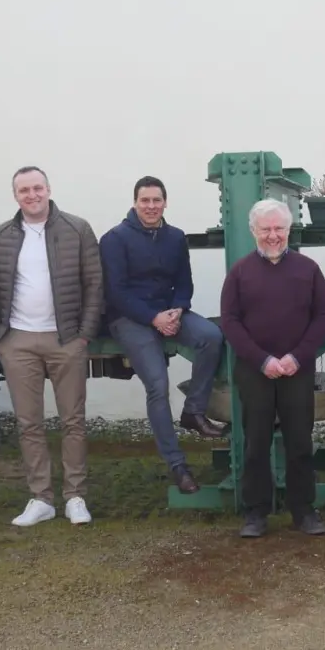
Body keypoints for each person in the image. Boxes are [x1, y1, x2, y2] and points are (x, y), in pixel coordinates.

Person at [0, 166, 104, 527]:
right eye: (24, 190)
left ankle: (75, 496)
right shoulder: (3, 234)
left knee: (73, 420)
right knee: (28, 423)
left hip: (66, 338)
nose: (32, 195)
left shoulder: (77, 229)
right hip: (17, 340)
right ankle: (41, 498)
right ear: (15, 195)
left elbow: (95, 283)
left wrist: (84, 334)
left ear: (48, 189)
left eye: (37, 188)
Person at [99, 176, 226, 495]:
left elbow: (184, 282)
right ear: (135, 203)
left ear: (165, 203)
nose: (151, 206)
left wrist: (178, 310)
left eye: (157, 200)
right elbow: (116, 292)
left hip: (169, 312)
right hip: (130, 318)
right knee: (157, 384)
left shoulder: (176, 237)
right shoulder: (114, 239)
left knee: (211, 336)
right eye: (145, 200)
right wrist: (153, 318)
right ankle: (177, 465)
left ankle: (193, 411)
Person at [218, 199, 325, 538]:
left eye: (279, 228)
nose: (273, 235)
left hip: (297, 369)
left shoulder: (308, 269)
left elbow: (322, 316)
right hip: (255, 370)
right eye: (265, 229)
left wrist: (297, 357)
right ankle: (256, 512)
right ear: (253, 231)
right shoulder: (240, 272)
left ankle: (303, 510)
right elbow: (230, 321)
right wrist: (262, 360)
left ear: (289, 230)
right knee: (255, 442)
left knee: (299, 442)